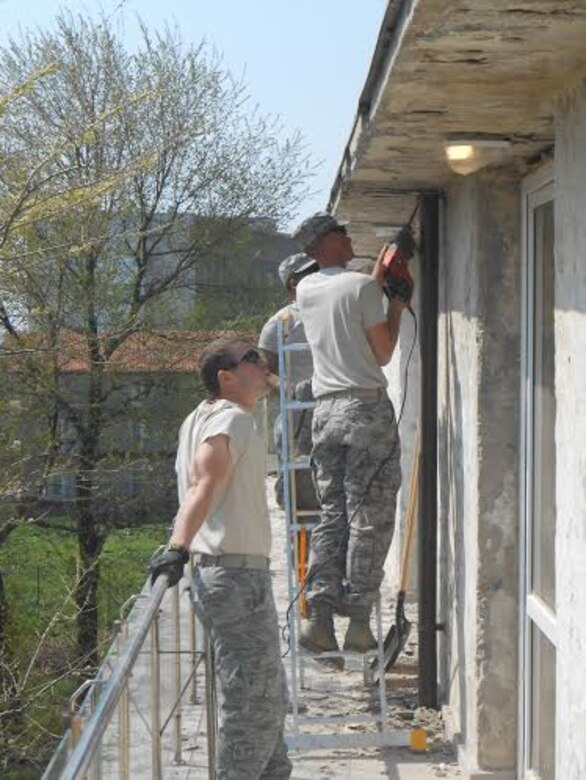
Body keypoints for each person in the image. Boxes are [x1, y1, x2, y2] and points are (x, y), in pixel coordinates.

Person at [149, 337, 292, 780]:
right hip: (233, 575)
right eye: (250, 358)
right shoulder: (231, 418)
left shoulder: (202, 417)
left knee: (264, 695)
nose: (261, 361)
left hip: (229, 574)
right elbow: (204, 483)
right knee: (255, 700)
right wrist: (177, 546)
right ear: (225, 377)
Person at [291, 211, 410, 655]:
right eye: (342, 234)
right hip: (365, 409)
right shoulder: (361, 287)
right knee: (370, 517)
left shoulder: (307, 288)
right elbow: (382, 354)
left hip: (326, 413)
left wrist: (380, 274)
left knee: (333, 515)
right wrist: (395, 307)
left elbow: (355, 288)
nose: (349, 238)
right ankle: (359, 623)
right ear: (326, 243)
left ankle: (319, 618)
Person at [258, 252, 319, 511]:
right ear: (294, 282)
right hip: (298, 418)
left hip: (333, 408)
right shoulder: (281, 322)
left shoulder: (331, 309)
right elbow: (263, 371)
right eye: (311, 271)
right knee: (300, 498)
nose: (318, 274)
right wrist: (286, 386)